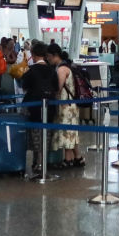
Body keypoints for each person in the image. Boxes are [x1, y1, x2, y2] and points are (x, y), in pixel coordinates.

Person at [20, 41, 60, 177]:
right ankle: (42, 162)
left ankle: (37, 162)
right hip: (50, 106)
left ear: (33, 54)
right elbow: (56, 88)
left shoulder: (31, 70)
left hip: (34, 107)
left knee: (35, 134)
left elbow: (24, 87)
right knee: (46, 134)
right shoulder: (52, 70)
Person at [46, 44, 84, 168]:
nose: (48, 59)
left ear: (55, 55)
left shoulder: (62, 69)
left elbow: (58, 87)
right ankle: (77, 158)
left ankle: (69, 160)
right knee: (70, 132)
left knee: (67, 132)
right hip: (70, 105)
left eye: (49, 56)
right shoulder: (66, 66)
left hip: (66, 106)